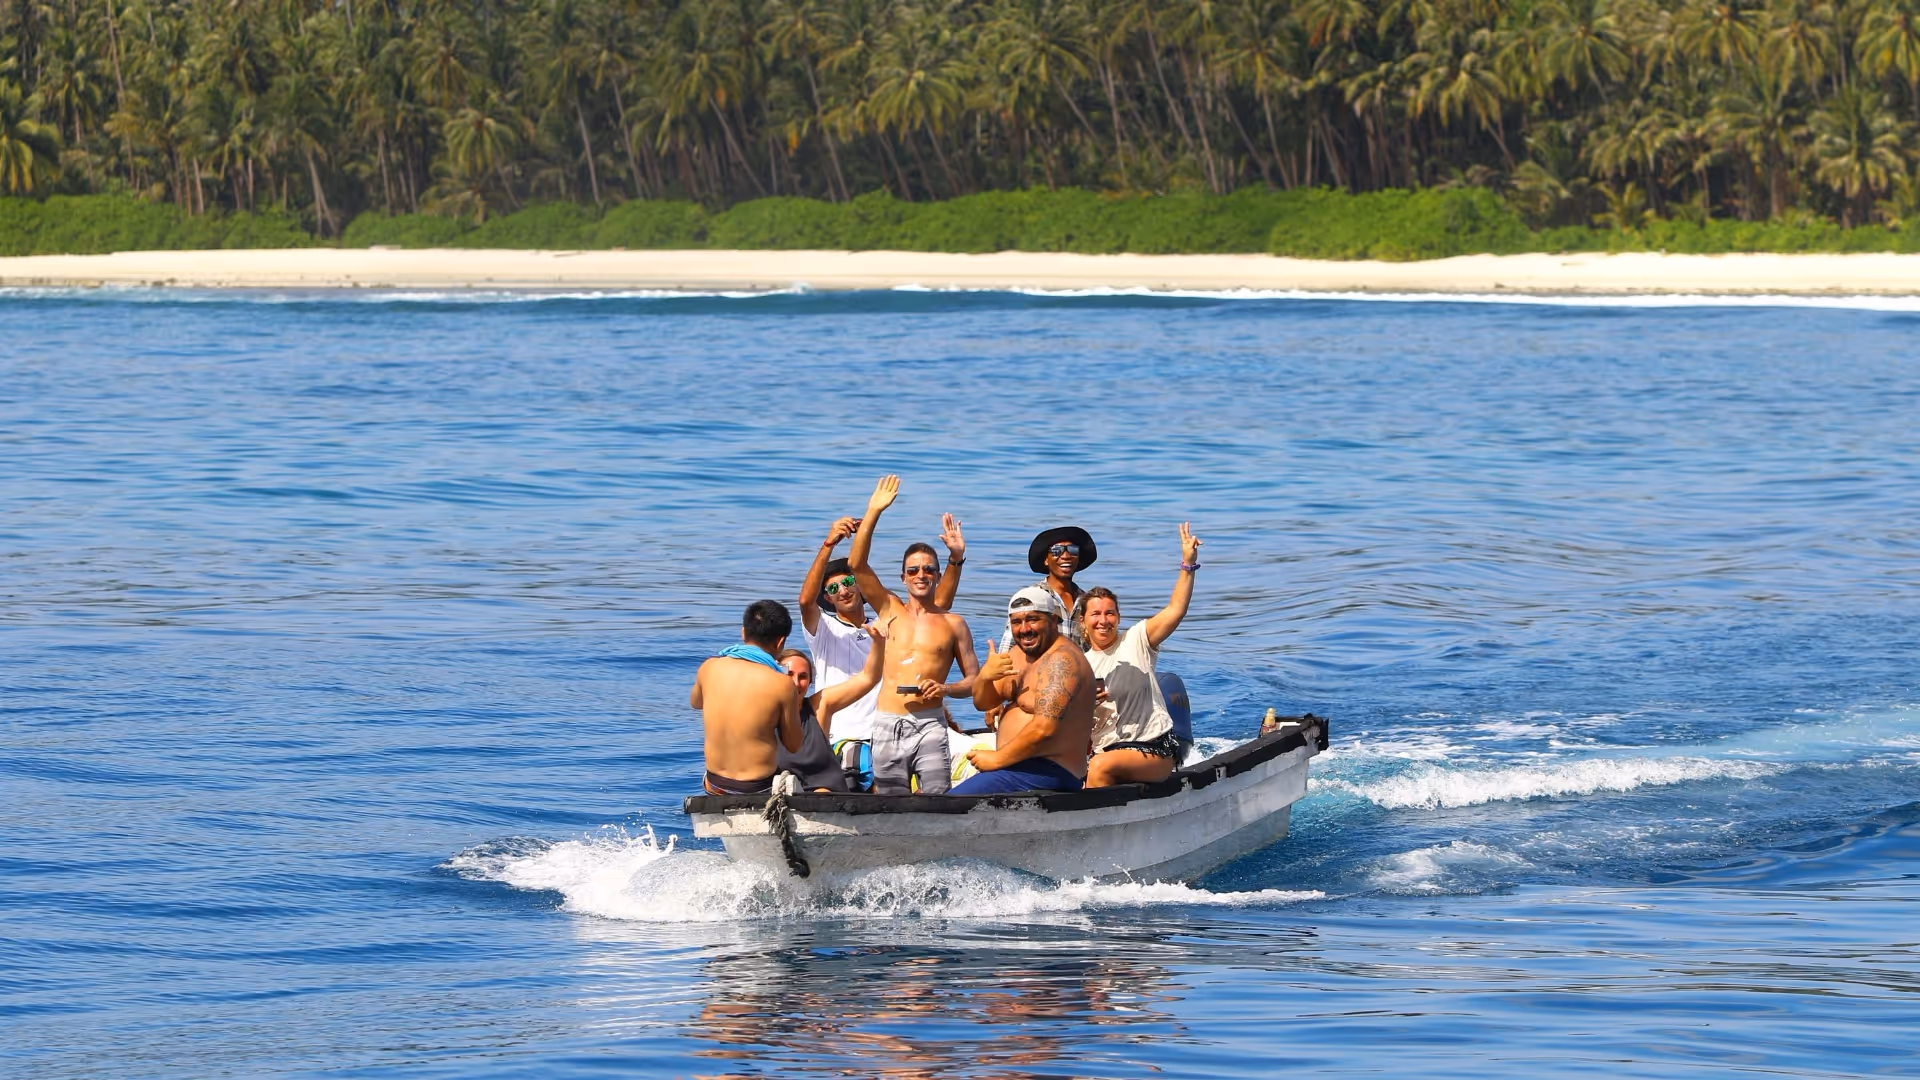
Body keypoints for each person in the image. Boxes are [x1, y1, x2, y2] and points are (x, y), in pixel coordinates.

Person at [798, 511, 967, 790]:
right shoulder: (824, 630)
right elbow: (805, 601)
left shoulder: (885, 623)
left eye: (849, 582)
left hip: (894, 726)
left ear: (861, 587)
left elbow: (937, 606)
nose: (843, 590)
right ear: (827, 597)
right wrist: (829, 544)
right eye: (834, 588)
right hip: (849, 738)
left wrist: (955, 559)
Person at [847, 475, 980, 795]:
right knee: (889, 806)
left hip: (932, 726)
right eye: (913, 570)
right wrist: (873, 511)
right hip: (887, 723)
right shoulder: (890, 609)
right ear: (903, 578)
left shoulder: (953, 624)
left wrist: (946, 687)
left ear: (936, 575)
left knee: (936, 803)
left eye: (928, 570)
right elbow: (856, 563)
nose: (921, 575)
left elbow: (974, 682)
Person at [1080, 523, 1204, 788]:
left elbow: (1175, 610)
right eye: (1096, 614)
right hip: (1104, 752)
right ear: (1083, 622)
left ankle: (1087, 829)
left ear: (1118, 618)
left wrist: (1188, 565)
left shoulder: (1136, 639)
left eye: (1109, 613)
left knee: (1101, 766)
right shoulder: (1080, 665)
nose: (1103, 620)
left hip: (1152, 749)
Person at [956, 586, 1097, 794]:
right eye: (1016, 622)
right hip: (1017, 767)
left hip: (1050, 772)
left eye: (1032, 619)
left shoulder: (1062, 660)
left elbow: (1043, 729)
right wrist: (985, 676)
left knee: (955, 800)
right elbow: (983, 703)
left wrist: (997, 759)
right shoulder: (1017, 655)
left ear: (1052, 620)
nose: (1024, 629)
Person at [689, 599, 805, 796]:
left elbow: (696, 703)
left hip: (715, 783)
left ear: (743, 632)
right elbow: (793, 745)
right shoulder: (781, 683)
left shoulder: (709, 667)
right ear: (781, 642)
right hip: (758, 787)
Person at [775, 615, 888, 792]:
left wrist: (878, 642)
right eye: (789, 674)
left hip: (826, 793)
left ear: (811, 681)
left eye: (803, 677)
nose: (796, 682)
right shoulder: (765, 713)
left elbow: (868, 678)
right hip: (781, 792)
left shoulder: (820, 705)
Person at [999, 526, 1097, 650]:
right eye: (1057, 551)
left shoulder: (1086, 601)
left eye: (1072, 550)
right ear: (1046, 560)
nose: (1066, 556)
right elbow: (1007, 649)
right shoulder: (1030, 598)